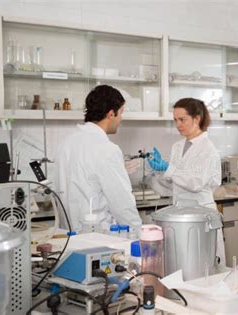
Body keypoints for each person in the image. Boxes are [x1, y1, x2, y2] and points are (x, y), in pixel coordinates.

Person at [148, 98, 225, 264]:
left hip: (201, 216)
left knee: (204, 266)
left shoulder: (208, 149)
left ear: (197, 118)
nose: (178, 124)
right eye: (175, 120)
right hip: (179, 215)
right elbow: (172, 185)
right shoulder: (177, 146)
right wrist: (159, 171)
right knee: (181, 264)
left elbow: (195, 183)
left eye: (182, 119)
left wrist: (168, 168)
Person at [57, 85, 142, 231]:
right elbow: (122, 204)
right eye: (120, 113)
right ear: (111, 114)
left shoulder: (66, 142)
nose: (120, 119)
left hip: (68, 236)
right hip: (100, 237)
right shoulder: (107, 149)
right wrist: (139, 234)